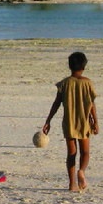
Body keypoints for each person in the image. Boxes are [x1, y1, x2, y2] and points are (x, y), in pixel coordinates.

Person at [42, 51, 98, 192]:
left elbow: (56, 103)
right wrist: (95, 121)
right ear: (84, 66)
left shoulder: (64, 83)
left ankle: (72, 184)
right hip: (84, 121)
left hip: (69, 122)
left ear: (69, 66)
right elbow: (92, 104)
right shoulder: (88, 83)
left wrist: (48, 120)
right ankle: (82, 171)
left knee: (71, 153)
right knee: (85, 152)